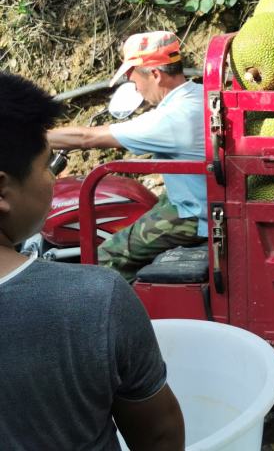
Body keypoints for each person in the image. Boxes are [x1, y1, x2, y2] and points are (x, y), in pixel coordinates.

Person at [0, 71, 184, 449]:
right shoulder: (95, 298)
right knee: (109, 260)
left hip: (186, 213)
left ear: (155, 74)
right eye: (46, 165)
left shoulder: (175, 111)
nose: (53, 180)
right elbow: (160, 433)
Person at [48, 31, 207, 282]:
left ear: (155, 74)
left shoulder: (172, 118)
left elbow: (87, 138)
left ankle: (122, 315)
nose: (135, 88)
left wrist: (29, 137)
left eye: (134, 80)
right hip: (195, 197)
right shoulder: (199, 94)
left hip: (193, 215)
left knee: (106, 256)